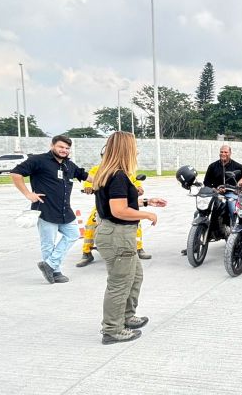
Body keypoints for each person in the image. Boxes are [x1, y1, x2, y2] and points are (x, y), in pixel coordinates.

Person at [93, 132, 166, 345]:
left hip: (117, 233)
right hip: (117, 234)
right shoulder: (118, 176)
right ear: (126, 149)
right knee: (119, 283)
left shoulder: (111, 174)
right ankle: (112, 329)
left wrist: (146, 202)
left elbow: (117, 204)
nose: (137, 151)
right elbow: (119, 210)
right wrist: (148, 215)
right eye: (134, 147)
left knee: (134, 276)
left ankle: (126, 316)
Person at [10, 135, 89, 284]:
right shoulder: (39, 161)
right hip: (45, 209)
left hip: (65, 210)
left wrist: (108, 178)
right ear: (52, 146)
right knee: (48, 243)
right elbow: (15, 173)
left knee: (73, 234)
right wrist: (28, 194)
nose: (64, 150)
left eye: (67, 148)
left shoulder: (69, 165)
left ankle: (50, 265)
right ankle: (55, 272)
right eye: (61, 147)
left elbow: (87, 176)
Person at [78, 156, 151, 268]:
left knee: (136, 223)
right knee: (91, 224)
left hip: (126, 204)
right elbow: (89, 179)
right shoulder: (98, 170)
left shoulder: (127, 171)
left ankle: (138, 248)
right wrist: (88, 187)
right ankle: (86, 252)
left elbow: (135, 181)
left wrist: (139, 188)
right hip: (104, 205)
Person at [203, 144, 242, 219]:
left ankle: (234, 227)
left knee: (233, 208)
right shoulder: (212, 166)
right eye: (221, 152)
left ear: (230, 153)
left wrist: (241, 188)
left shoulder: (238, 166)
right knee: (202, 209)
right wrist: (214, 189)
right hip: (215, 193)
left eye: (226, 152)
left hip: (231, 193)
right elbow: (206, 182)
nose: (223, 154)